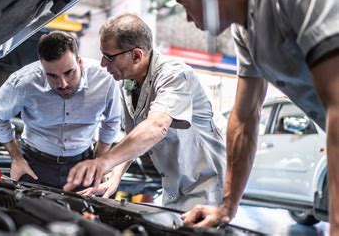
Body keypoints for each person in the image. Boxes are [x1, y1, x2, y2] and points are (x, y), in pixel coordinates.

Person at [165, 0, 339, 231]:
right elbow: (245, 117)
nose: (188, 19)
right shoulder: (244, 31)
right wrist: (226, 207)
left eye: (184, 4)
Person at [63, 14, 226, 212]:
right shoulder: (128, 83)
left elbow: (157, 126)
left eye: (109, 57)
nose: (103, 64)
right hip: (174, 184)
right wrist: (114, 179)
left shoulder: (175, 75)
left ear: (137, 56)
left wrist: (103, 162)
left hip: (206, 184)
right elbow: (134, 138)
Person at [0, 31, 122, 189]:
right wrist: (16, 158)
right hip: (34, 166)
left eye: (69, 73)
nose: (63, 84)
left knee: (83, 214)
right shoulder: (23, 82)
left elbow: (112, 121)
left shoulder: (104, 79)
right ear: (42, 68)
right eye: (52, 76)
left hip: (84, 165)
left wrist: (99, 161)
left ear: (79, 62)